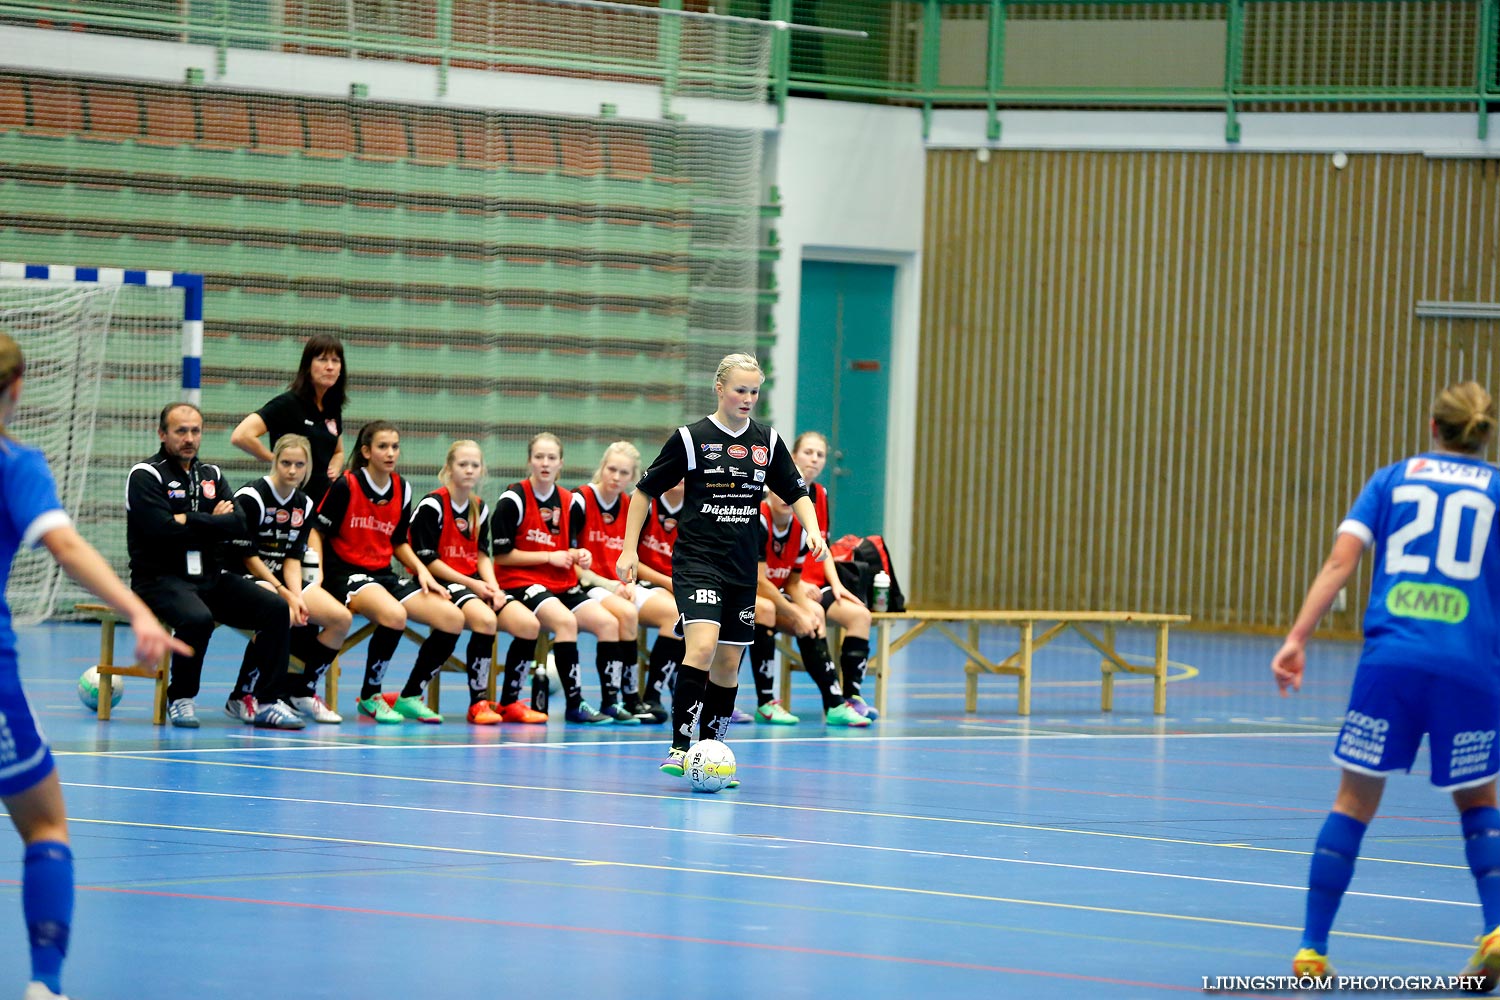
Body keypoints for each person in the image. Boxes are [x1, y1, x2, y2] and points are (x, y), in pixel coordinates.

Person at [1271, 381, 1500, 983]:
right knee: (1478, 803)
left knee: (1353, 801)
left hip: (1392, 662)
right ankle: (1497, 927)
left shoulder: (1392, 479)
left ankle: (1311, 949)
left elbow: (1340, 562)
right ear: (1485, 434)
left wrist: (1297, 637)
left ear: (1433, 427)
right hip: (1470, 666)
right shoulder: (1498, 490)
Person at [0, 333, 189, 1000]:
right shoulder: (16, 465)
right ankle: (44, 986)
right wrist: (138, 612)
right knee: (45, 822)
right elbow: (65, 543)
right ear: (17, 391)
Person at [618, 353, 829, 781]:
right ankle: (680, 746)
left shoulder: (766, 441)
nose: (748, 398)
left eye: (754, 391)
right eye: (740, 390)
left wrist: (814, 530)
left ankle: (711, 750)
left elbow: (796, 489)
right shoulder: (692, 438)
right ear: (719, 388)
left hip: (740, 567)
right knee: (700, 646)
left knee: (729, 664)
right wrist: (629, 551)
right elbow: (644, 493)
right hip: (697, 561)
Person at [127, 402, 304, 730]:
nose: (189, 438)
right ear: (162, 434)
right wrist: (211, 520)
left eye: (195, 431)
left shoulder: (212, 475)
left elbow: (238, 524)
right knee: (198, 619)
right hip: (159, 577)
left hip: (209, 575)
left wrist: (188, 521)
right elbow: (160, 530)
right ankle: (180, 697)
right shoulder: (146, 475)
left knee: (276, 609)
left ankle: (266, 701)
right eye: (181, 431)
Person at [311, 420, 464, 724]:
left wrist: (423, 571)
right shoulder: (346, 485)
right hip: (345, 575)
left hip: (383, 575)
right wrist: (315, 575)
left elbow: (397, 541)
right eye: (383, 446)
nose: (391, 452)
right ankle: (370, 695)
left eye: (395, 446)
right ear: (366, 451)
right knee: (394, 615)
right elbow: (317, 531)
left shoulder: (402, 487)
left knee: (452, 618)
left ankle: (410, 695)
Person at [491, 433, 628, 725]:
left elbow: (572, 545)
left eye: (551, 458)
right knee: (565, 622)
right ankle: (574, 703)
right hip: (520, 580)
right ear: (529, 461)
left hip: (562, 582)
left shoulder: (569, 502)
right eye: (539, 457)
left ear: (560, 464)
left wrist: (581, 556)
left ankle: (611, 702)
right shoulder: (513, 499)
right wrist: (548, 556)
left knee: (609, 623)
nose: (545, 463)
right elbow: (501, 556)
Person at [409, 440, 546, 725]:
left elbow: (483, 554)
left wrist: (492, 585)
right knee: (485, 620)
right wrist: (474, 585)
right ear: (448, 468)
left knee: (529, 624)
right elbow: (427, 560)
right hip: (439, 581)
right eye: (462, 464)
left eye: (475, 465)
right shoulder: (432, 505)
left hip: (473, 582)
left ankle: (509, 702)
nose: (469, 470)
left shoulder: (479, 508)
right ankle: (478, 702)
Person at [231, 433, 351, 724]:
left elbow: (294, 557)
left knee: (340, 618)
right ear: (274, 459)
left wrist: (297, 595)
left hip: (283, 578)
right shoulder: (252, 497)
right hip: (245, 575)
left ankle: (303, 690)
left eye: (300, 464)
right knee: (277, 611)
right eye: (286, 463)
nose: (293, 470)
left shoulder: (304, 504)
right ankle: (242, 694)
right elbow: (246, 555)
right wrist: (283, 592)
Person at [571, 442, 681, 723]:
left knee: (674, 615)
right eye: (611, 469)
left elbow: (632, 554)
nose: (616, 477)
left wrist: (629, 581)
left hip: (621, 583)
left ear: (633, 477)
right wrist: (613, 585)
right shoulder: (581, 500)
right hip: (587, 583)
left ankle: (646, 697)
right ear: (602, 467)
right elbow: (573, 560)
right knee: (626, 613)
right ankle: (619, 698)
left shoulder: (633, 505)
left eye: (624, 472)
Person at [752, 487, 870, 727]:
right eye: (779, 490)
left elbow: (793, 582)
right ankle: (766, 702)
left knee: (815, 614)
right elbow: (760, 583)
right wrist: (795, 613)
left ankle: (834, 703)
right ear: (768, 493)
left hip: (774, 593)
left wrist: (806, 613)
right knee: (766, 609)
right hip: (742, 592)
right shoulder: (759, 521)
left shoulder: (800, 529)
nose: (786, 498)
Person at [790, 430, 877, 720]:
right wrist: (798, 585)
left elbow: (823, 543)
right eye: (808, 452)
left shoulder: (821, 495)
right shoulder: (778, 495)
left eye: (820, 454)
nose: (814, 459)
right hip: (790, 584)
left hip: (820, 582)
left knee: (860, 615)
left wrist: (837, 584)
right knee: (813, 614)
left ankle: (853, 695)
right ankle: (833, 700)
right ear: (793, 456)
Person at [230, 333, 347, 506]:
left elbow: (338, 451)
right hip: (292, 500)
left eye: (335, 361)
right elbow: (241, 436)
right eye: (322, 359)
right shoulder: (288, 404)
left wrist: (336, 466)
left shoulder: (332, 408)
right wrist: (275, 460)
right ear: (308, 366)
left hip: (323, 501)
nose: (330, 367)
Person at [634, 479, 687, 724]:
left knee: (699, 612)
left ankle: (689, 691)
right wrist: (667, 582)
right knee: (675, 615)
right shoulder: (646, 505)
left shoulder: (695, 509)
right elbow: (626, 556)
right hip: (638, 583)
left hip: (676, 585)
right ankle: (652, 695)